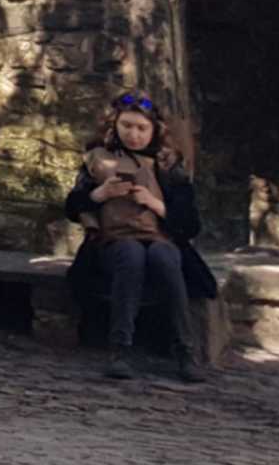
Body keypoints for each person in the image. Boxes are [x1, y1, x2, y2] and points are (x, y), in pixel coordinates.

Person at [63, 90, 216, 383]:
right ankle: (120, 349)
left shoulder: (168, 166)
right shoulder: (99, 160)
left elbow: (190, 223)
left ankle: (185, 350)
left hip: (160, 239)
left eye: (141, 128)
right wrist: (100, 194)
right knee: (130, 254)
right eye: (127, 126)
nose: (133, 135)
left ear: (154, 130)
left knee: (164, 257)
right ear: (115, 127)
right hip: (112, 243)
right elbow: (72, 207)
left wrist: (154, 203)